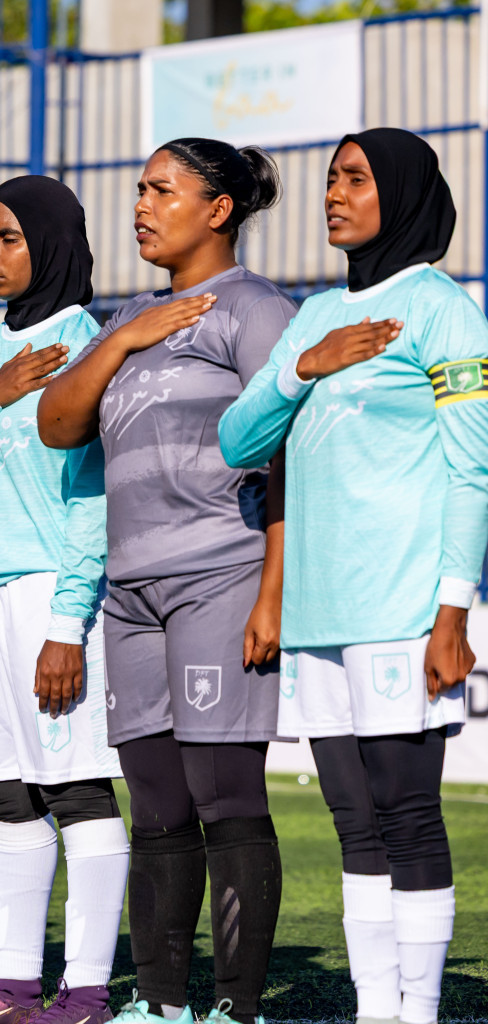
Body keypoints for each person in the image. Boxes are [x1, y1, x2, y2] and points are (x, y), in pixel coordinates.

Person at [220, 127, 487, 1024]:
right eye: (331, 179)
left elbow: (473, 470)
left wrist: (452, 613)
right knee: (351, 821)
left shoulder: (444, 311)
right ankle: (378, 1010)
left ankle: (421, 1013)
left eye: (356, 179)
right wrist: (304, 367)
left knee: (407, 815)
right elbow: (239, 441)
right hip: (318, 615)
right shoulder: (311, 318)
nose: (334, 194)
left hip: (404, 609)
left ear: (402, 195)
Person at [35, 138, 294, 1024]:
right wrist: (127, 340)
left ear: (218, 209)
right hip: (130, 592)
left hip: (220, 574)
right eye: (139, 190)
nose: (141, 205)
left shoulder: (255, 310)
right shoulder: (129, 318)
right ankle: (160, 1001)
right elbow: (57, 422)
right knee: (154, 801)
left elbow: (291, 448)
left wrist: (273, 589)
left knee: (225, 793)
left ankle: (234, 1005)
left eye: (161, 190)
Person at [0, 176, 126, 1024]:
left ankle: (88, 985)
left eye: (8, 238)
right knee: (5, 791)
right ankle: (12, 981)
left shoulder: (90, 345)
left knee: (75, 788)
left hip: (49, 595)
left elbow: (91, 499)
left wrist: (69, 622)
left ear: (50, 242)